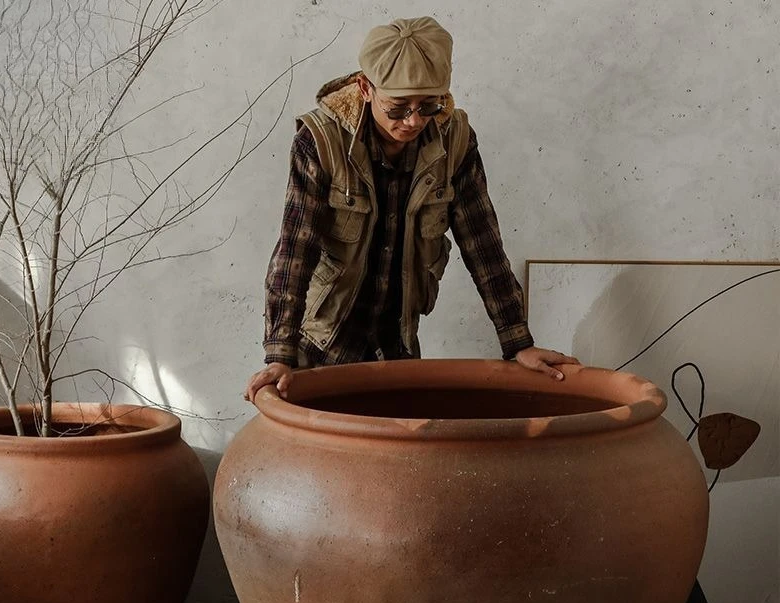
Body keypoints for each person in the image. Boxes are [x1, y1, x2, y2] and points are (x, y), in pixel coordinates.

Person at [246, 16, 578, 402]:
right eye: (399, 107)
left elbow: (482, 243)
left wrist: (517, 341)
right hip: (321, 346)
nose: (414, 121)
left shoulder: (455, 141)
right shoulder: (320, 141)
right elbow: (294, 251)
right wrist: (280, 353)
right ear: (366, 88)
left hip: (398, 346)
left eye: (429, 105)